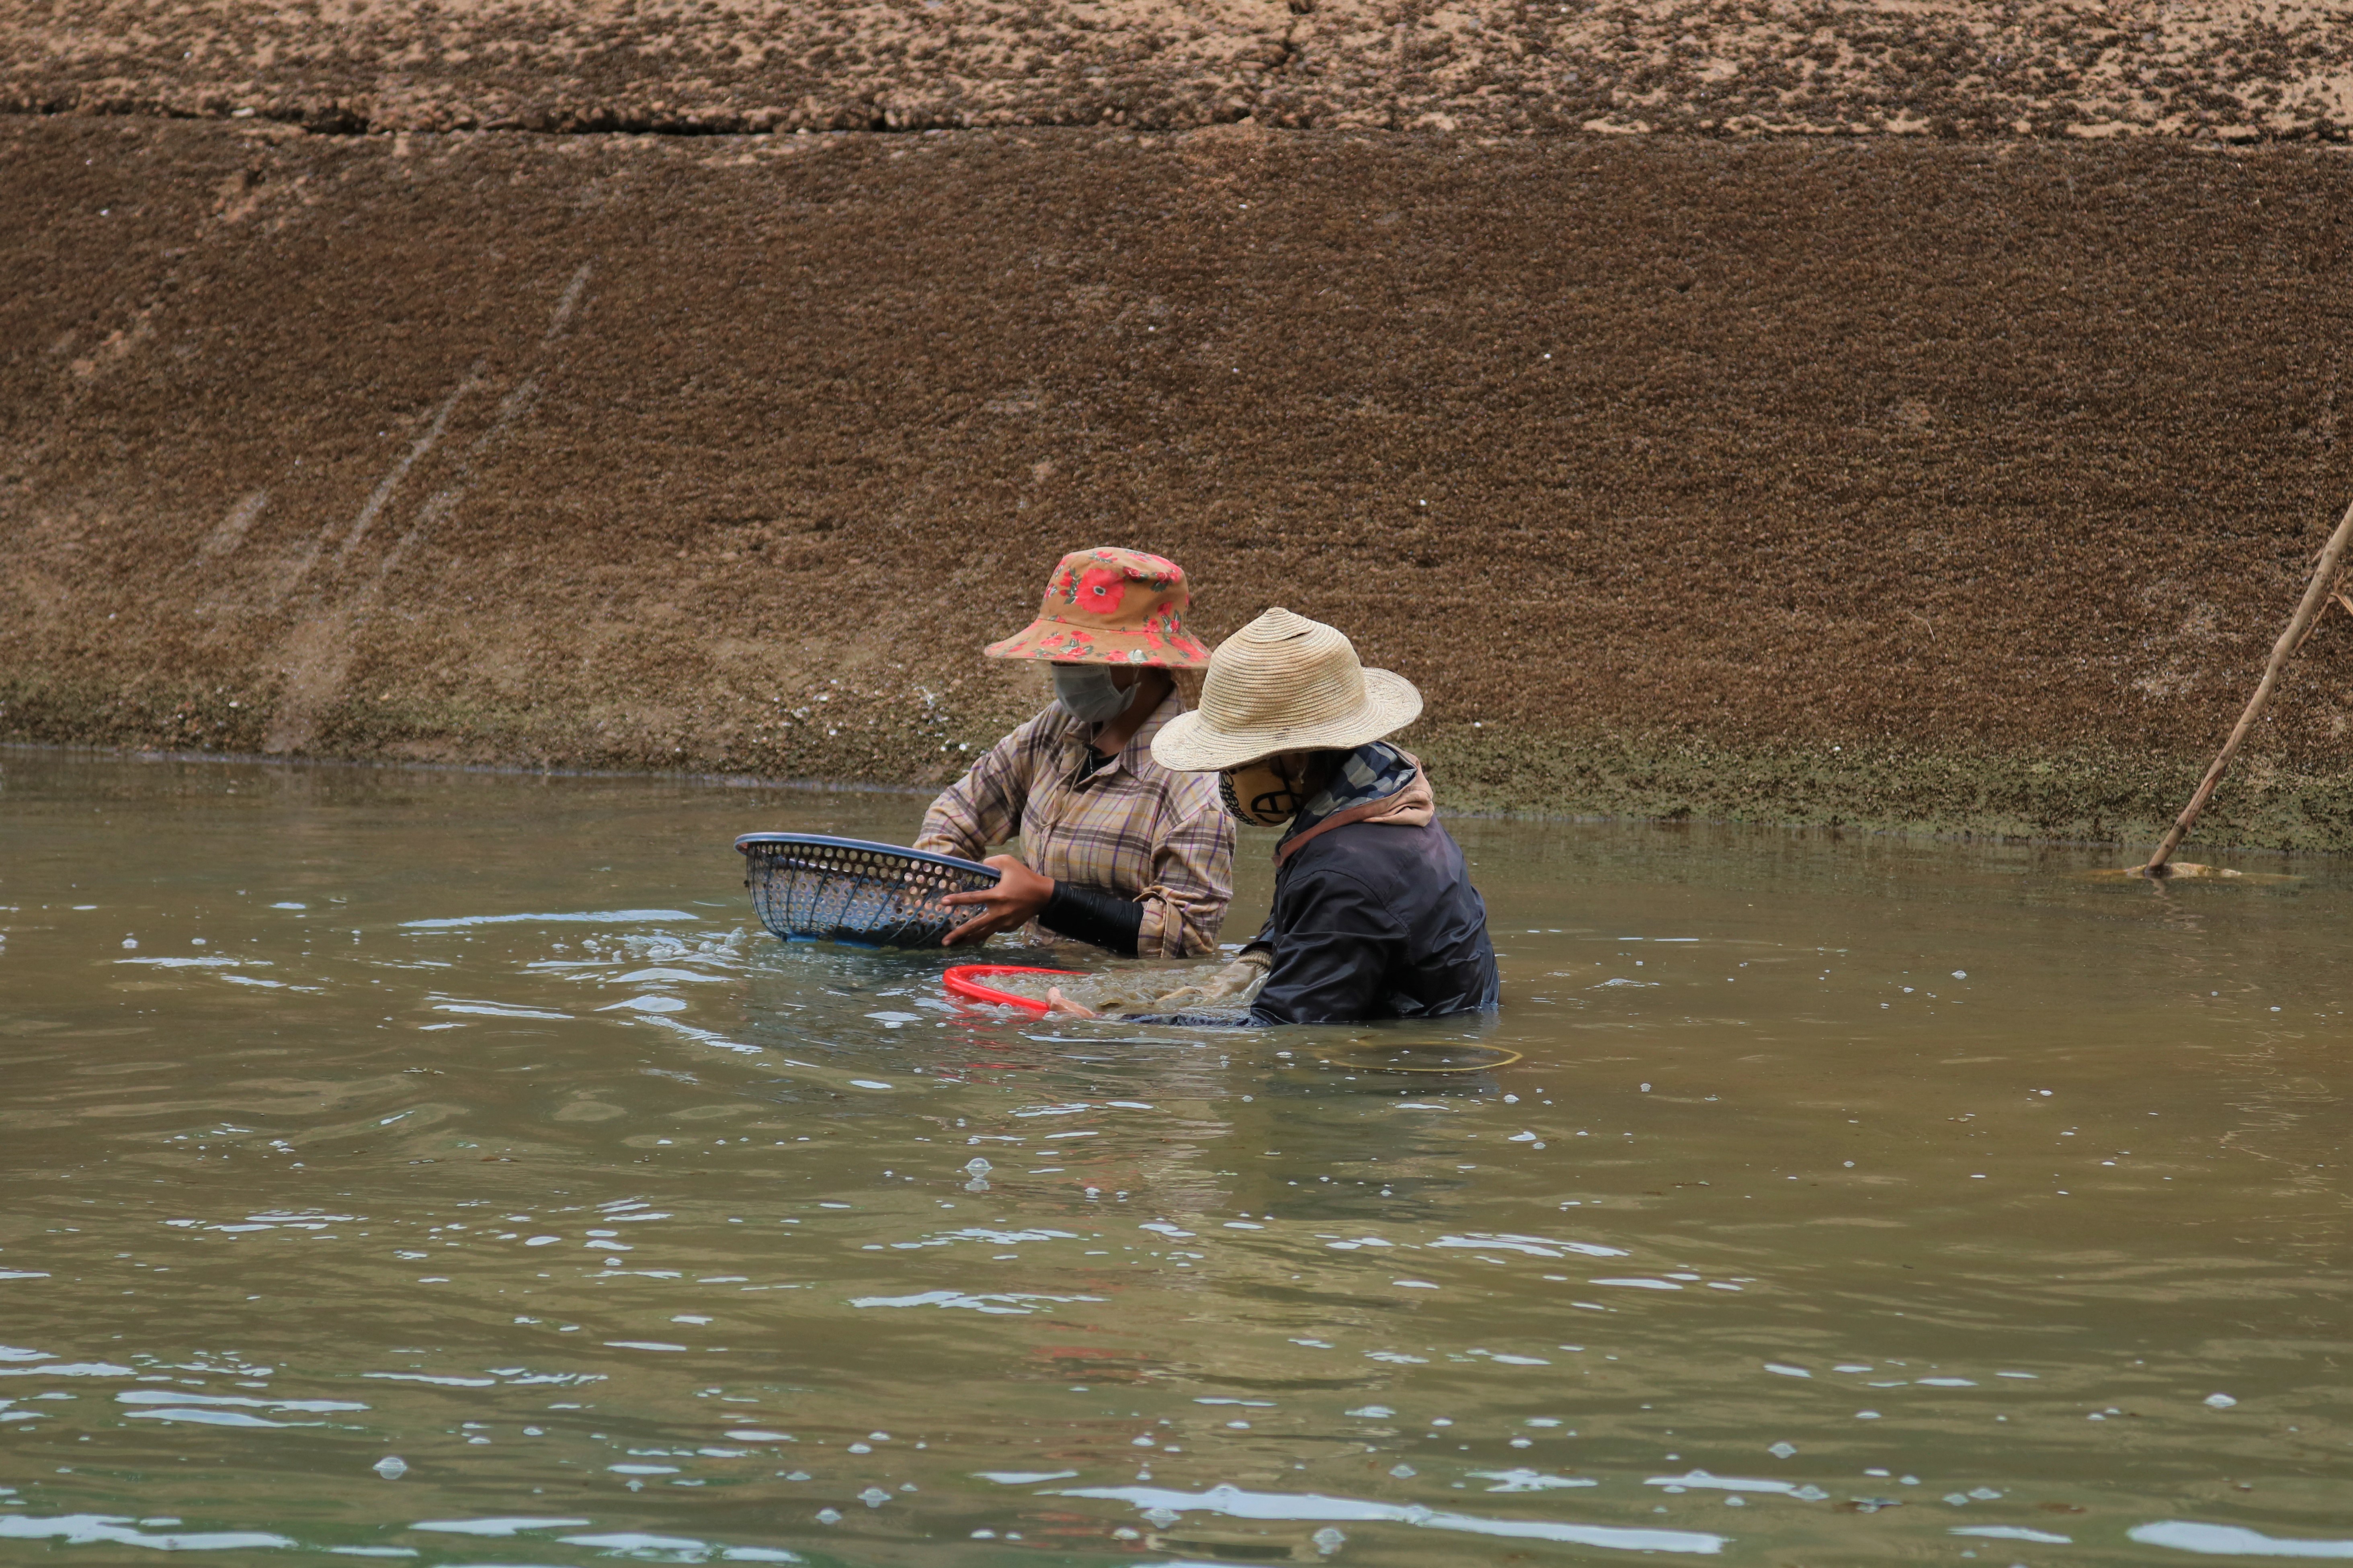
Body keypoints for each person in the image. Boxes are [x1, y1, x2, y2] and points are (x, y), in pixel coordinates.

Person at [1058, 607, 1498, 1023]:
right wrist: (1255, 959)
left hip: (1415, 1071)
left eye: (1234, 765)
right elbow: (1323, 923)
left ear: (1294, 760)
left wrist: (1117, 1024)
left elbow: (1282, 1029)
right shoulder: (1381, 800)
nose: (1226, 782)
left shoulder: (1346, 870)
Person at [918, 548, 1235, 957]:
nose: (1062, 671)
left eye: (1080, 658)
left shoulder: (1195, 785)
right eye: (1058, 658)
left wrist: (1051, 901)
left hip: (1118, 1006)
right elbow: (954, 816)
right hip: (1031, 976)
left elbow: (1187, 938)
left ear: (1143, 661)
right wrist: (947, 903)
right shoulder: (1056, 728)